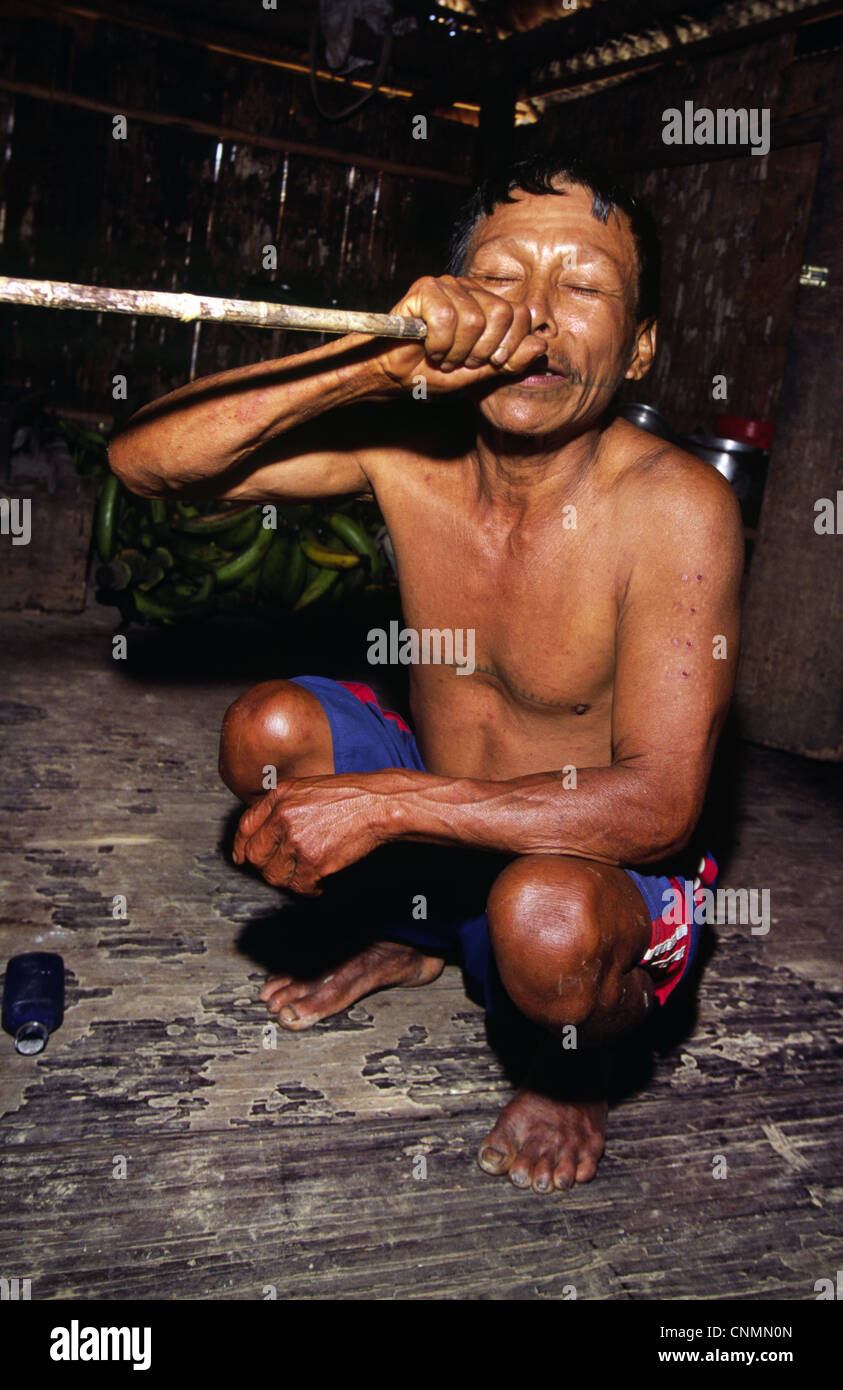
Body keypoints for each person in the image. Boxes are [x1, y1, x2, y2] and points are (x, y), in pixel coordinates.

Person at [110, 154, 743, 1195]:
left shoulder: (678, 510)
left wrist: (387, 800)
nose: (533, 317)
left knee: (544, 924)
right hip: (448, 834)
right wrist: (372, 360)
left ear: (639, 349)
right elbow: (145, 463)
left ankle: (568, 1064)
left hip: (589, 868)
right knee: (268, 735)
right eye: (501, 278)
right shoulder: (408, 444)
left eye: (581, 286)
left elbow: (664, 806)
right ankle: (422, 932)